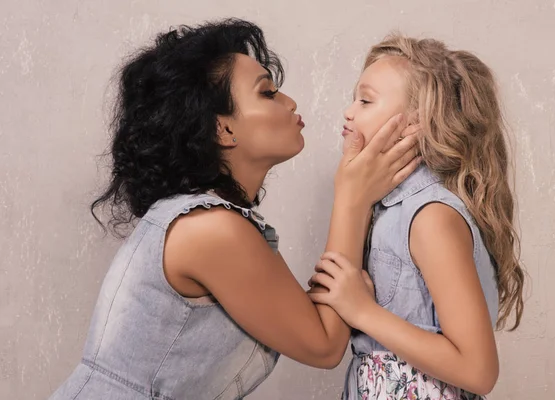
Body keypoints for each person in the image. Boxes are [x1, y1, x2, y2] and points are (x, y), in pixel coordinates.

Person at [49, 19, 421, 400]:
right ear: (223, 130)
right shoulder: (210, 230)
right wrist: (352, 198)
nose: (290, 102)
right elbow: (324, 344)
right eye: (268, 93)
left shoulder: (204, 219)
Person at [308, 33, 526, 400]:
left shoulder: (431, 217)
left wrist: (362, 311)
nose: (349, 111)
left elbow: (479, 370)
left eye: (365, 100)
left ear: (415, 122)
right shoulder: (383, 210)